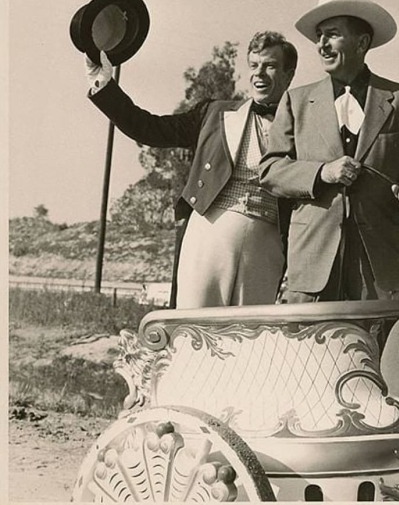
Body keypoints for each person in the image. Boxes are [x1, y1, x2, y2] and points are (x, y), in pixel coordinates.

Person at [85, 31, 298, 308]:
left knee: (250, 337)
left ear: (289, 74)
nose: (260, 74)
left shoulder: (303, 126)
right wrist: (103, 83)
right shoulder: (214, 113)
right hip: (209, 233)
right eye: (254, 65)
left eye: (270, 65)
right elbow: (148, 128)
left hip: (266, 244)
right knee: (193, 329)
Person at [259, 0, 399, 302]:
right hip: (312, 267)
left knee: (376, 349)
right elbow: (271, 170)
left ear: (362, 42)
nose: (321, 45)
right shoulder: (296, 100)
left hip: (379, 269)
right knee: (310, 351)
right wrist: (322, 173)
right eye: (319, 37)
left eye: (332, 34)